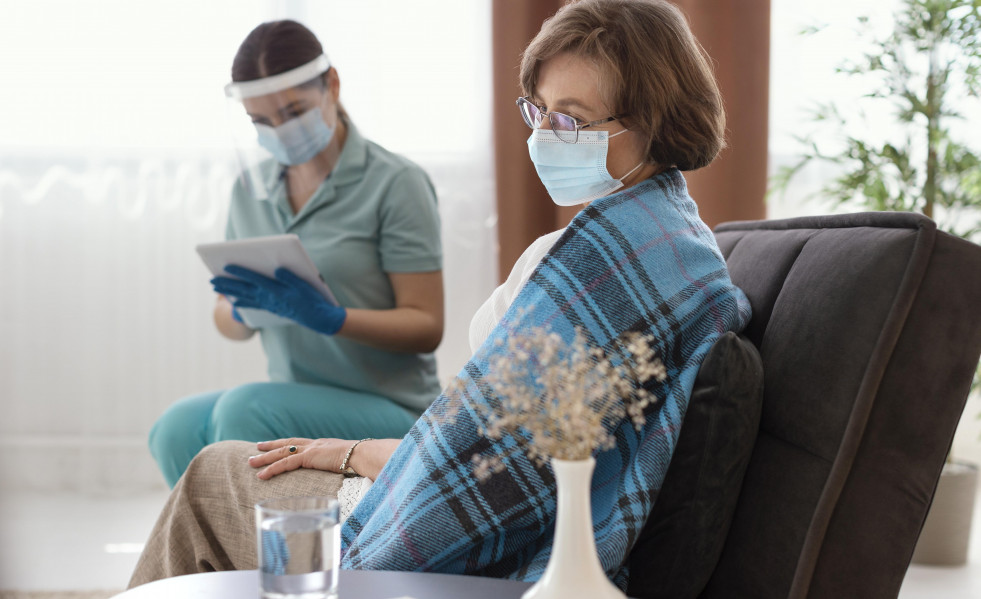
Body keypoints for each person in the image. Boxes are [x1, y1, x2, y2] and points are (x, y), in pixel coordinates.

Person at [129, 0, 751, 589]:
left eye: (570, 120)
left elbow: (494, 479)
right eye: (537, 111)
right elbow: (506, 447)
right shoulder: (662, 241)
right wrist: (354, 451)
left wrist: (353, 436)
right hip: (434, 460)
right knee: (190, 434)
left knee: (213, 474)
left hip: (443, 518)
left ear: (653, 120)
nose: (542, 137)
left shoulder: (598, 262)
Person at [148, 20, 445, 488]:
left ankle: (267, 535)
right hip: (296, 395)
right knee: (175, 428)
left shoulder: (396, 183)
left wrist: (333, 319)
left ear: (332, 85)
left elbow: (426, 326)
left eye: (294, 112)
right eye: (261, 121)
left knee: (245, 410)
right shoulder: (249, 191)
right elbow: (227, 320)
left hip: (391, 407)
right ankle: (218, 535)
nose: (280, 131)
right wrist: (242, 308)